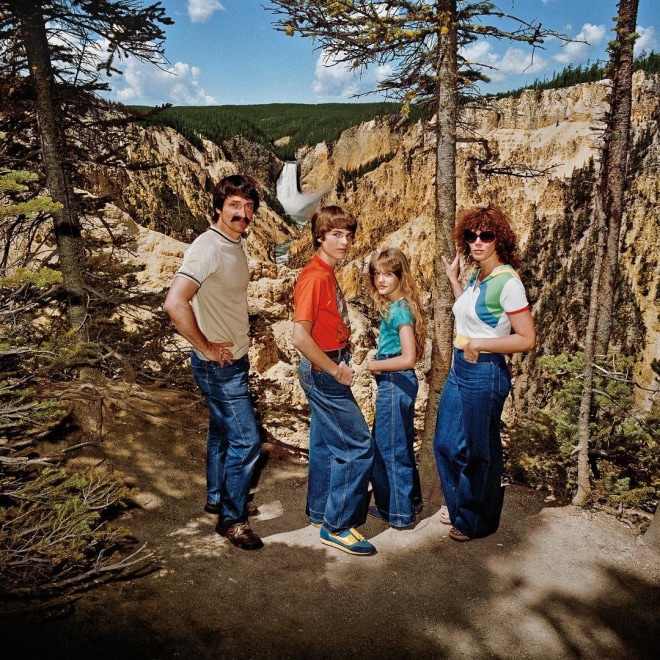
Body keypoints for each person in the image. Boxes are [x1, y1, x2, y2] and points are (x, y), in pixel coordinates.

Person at [163, 174, 263, 551]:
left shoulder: (234, 243)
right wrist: (205, 346)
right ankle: (233, 521)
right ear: (218, 207)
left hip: (233, 359)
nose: (243, 213)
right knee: (247, 440)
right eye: (235, 205)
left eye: (249, 206)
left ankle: (218, 496)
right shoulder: (208, 247)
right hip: (218, 365)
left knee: (222, 431)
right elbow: (175, 302)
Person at [434, 205, 536, 542]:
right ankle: (463, 504)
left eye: (486, 236)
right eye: (471, 236)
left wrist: (481, 344)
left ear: (499, 240)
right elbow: (473, 313)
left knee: (478, 451)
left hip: (485, 372)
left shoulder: (507, 282)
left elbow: (526, 338)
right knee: (446, 444)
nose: (478, 242)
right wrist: (453, 279)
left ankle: (476, 521)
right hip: (461, 369)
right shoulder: (479, 275)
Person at [292, 205, 376, 556]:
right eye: (337, 234)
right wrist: (335, 369)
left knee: (325, 443)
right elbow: (300, 336)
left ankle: (319, 512)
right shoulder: (315, 277)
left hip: (327, 364)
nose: (345, 241)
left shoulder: (325, 272)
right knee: (357, 446)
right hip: (323, 370)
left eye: (348, 234)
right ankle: (337, 526)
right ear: (320, 236)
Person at [366, 249, 426, 529]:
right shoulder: (397, 305)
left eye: (388, 274)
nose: (381, 279)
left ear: (401, 276)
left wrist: (374, 365)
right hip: (398, 382)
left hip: (394, 380)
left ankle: (400, 513)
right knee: (398, 442)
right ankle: (409, 502)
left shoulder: (400, 308)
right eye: (377, 273)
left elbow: (409, 357)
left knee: (391, 449)